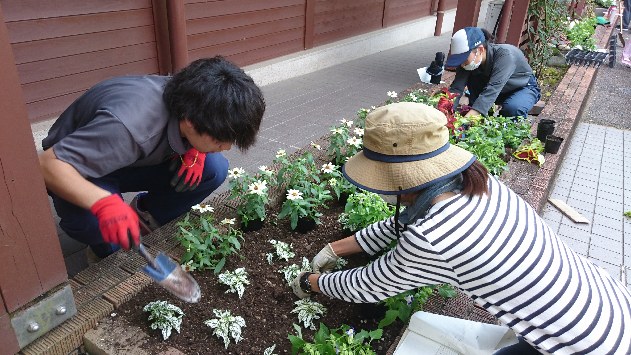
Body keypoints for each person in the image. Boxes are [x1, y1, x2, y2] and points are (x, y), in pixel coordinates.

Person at [291, 102, 631, 354]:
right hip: (609, 303)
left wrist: (311, 282)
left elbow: (368, 285)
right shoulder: (476, 183)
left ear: (397, 178)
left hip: (584, 344)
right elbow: (401, 224)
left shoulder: (431, 237)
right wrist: (335, 249)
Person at [39, 56, 265, 259]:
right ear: (191, 123)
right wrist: (104, 203)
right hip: (82, 167)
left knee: (212, 169)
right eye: (219, 140)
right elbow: (47, 165)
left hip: (130, 157)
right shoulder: (128, 126)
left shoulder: (192, 96)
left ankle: (145, 215)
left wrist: (196, 149)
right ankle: (105, 251)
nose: (225, 147)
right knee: (96, 222)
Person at [446, 27, 541, 119]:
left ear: (480, 50)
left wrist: (465, 122)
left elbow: (492, 90)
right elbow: (456, 89)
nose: (462, 64)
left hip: (521, 87)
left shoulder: (505, 55)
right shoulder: (469, 63)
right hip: (492, 89)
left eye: (464, 59)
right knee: (475, 112)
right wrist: (445, 113)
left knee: (512, 109)